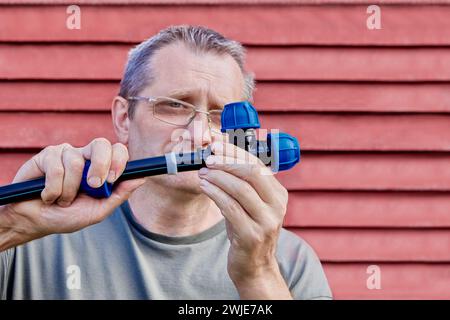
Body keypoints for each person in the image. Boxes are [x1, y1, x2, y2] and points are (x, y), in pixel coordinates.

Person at [0, 25, 332, 300]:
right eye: (174, 106)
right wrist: (10, 227)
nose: (201, 135)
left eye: (220, 115)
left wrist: (258, 274)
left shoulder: (288, 262)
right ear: (123, 118)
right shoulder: (31, 235)